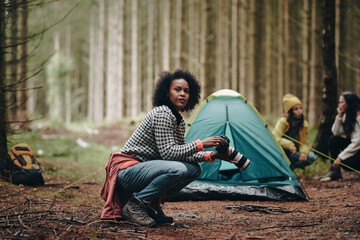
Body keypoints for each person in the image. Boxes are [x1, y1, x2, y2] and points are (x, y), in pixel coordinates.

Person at [100, 69, 232, 227]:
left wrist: (211, 155)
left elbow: (181, 154)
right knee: (178, 169)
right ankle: (135, 205)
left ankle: (150, 205)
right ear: (166, 92)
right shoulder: (163, 113)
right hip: (126, 171)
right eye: (177, 89)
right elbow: (169, 153)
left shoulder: (178, 119)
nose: (182, 94)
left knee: (194, 169)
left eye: (186, 91)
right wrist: (201, 144)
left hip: (143, 170)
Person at [320, 91, 360, 181]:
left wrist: (340, 157)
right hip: (357, 149)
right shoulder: (348, 116)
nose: (339, 105)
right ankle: (335, 172)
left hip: (358, 147)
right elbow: (336, 132)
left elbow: (358, 141)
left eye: (342, 102)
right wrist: (339, 116)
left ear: (349, 103)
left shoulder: (358, 116)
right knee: (333, 140)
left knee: (345, 162)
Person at [272, 94, 316, 169]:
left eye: (300, 108)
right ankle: (284, 168)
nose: (300, 111)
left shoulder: (303, 124)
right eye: (296, 109)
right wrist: (290, 145)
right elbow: (275, 138)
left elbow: (304, 142)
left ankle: (291, 168)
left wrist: (303, 153)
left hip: (294, 152)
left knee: (311, 157)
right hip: (282, 152)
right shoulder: (283, 121)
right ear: (290, 111)